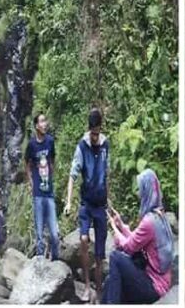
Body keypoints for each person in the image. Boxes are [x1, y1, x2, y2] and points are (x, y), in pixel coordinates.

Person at [104, 169, 175, 304]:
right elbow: (137, 241)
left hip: (155, 287)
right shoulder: (160, 215)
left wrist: (114, 228)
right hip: (160, 281)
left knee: (115, 257)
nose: (139, 194)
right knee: (109, 282)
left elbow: (129, 247)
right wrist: (121, 226)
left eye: (140, 189)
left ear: (146, 191)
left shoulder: (149, 221)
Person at [64, 108, 111, 303]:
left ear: (100, 129)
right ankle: (85, 284)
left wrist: (110, 201)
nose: (94, 137)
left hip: (100, 204)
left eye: (97, 133)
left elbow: (106, 173)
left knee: (99, 253)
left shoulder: (105, 144)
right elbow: (72, 176)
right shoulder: (82, 147)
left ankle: (98, 290)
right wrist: (68, 202)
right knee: (83, 239)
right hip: (86, 202)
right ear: (89, 130)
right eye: (92, 133)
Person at [26, 113, 60, 260]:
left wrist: (51, 177)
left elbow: (52, 160)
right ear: (36, 126)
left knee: (54, 233)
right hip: (38, 194)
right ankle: (40, 265)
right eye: (42, 121)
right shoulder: (32, 145)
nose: (45, 124)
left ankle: (57, 263)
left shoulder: (50, 141)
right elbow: (27, 164)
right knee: (39, 234)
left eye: (45, 121)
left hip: (49, 193)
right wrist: (31, 182)